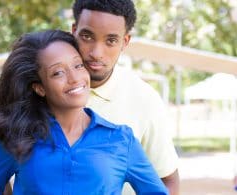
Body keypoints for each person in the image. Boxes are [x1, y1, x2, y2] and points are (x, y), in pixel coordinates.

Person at [0, 30, 168, 195]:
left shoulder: (121, 140)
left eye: (78, 65)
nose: (75, 78)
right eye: (58, 72)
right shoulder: (16, 137)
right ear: (40, 87)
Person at [71, 0, 179, 194]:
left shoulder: (145, 100)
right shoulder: (38, 88)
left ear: (125, 42)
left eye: (111, 40)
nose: (97, 53)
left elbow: (168, 182)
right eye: (87, 36)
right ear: (74, 31)